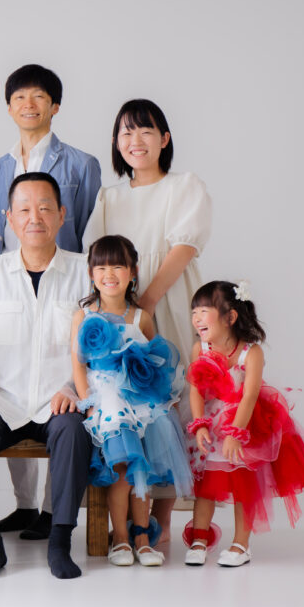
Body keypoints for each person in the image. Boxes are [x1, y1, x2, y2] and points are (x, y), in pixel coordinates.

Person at [82, 98, 212, 538]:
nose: (135, 141)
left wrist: (147, 303)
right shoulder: (109, 197)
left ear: (164, 139)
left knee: (173, 406)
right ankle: (132, 521)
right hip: (119, 313)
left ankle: (162, 518)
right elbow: (97, 258)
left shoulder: (184, 186)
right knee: (129, 408)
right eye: (126, 132)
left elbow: (184, 248)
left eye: (145, 131)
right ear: (116, 142)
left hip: (169, 302)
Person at [0, 172, 91, 579]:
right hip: (3, 399)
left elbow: (95, 348)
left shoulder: (85, 272)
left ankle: (60, 542)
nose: (35, 217)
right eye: (25, 209)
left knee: (75, 431)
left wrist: (73, 388)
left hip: (59, 398)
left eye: (45, 208)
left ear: (62, 215)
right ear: (9, 218)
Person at [0, 64, 102, 539]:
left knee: (60, 388)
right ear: (9, 107)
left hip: (64, 286)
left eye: (38, 96)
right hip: (12, 288)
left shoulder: (81, 164)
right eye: (19, 97)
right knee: (12, 382)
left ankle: (55, 509)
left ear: (55, 106)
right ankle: (24, 505)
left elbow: (89, 231)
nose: (28, 105)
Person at [72, 236, 193, 567]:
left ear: (133, 272)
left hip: (140, 402)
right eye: (101, 267)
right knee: (123, 470)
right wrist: (89, 403)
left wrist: (163, 396)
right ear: (91, 274)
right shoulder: (83, 315)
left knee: (143, 469)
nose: (109, 274)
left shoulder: (140, 317)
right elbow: (78, 366)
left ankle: (143, 538)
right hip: (106, 403)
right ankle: (122, 539)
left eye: (118, 266)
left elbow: (155, 360)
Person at [185, 280, 304, 567]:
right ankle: (199, 538)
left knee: (243, 485)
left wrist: (236, 432)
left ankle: (241, 544)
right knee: (207, 484)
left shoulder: (251, 352)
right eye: (194, 312)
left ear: (230, 317)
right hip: (211, 421)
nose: (197, 318)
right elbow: (196, 389)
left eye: (204, 311)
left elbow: (250, 395)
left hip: (244, 421)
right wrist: (199, 424)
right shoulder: (201, 348)